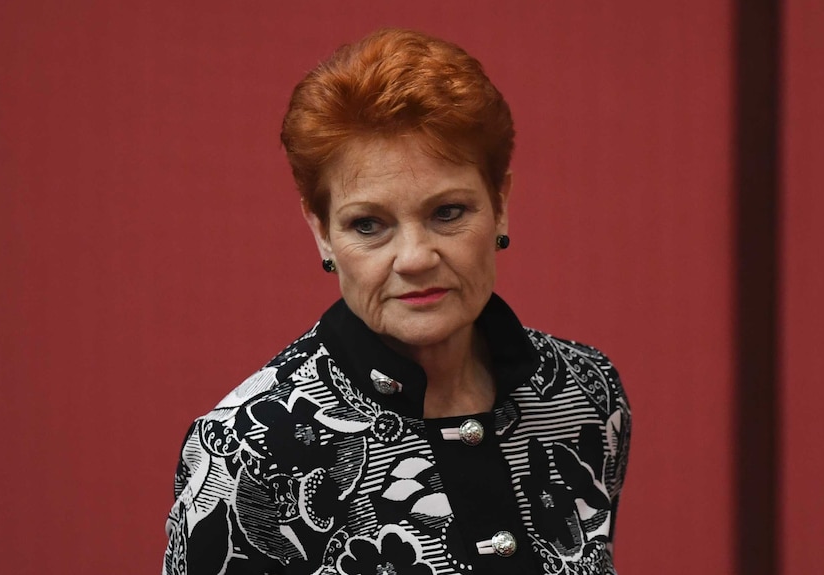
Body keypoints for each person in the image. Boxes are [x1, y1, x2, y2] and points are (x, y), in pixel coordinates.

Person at [163, 28, 631, 575]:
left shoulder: (585, 392)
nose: (414, 258)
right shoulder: (248, 445)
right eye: (369, 224)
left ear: (500, 205)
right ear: (321, 234)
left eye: (448, 212)